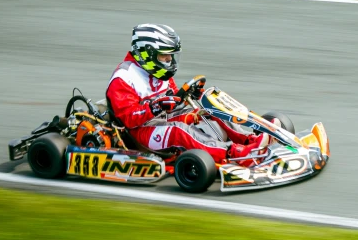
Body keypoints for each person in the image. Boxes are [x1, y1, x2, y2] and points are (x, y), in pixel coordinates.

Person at [104, 23, 270, 165]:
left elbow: (174, 98)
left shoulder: (157, 73)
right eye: (164, 55)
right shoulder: (124, 77)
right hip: (139, 133)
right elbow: (128, 118)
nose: (169, 60)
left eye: (170, 55)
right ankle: (237, 154)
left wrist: (187, 95)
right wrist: (155, 107)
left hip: (165, 118)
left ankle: (250, 140)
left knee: (210, 113)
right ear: (147, 53)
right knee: (179, 131)